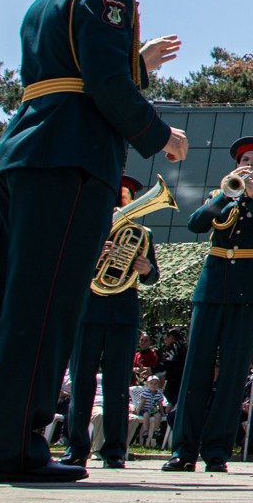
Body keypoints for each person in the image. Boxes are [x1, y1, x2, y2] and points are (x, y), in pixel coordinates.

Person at [0, 0, 189, 485]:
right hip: (70, 156)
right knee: (47, 307)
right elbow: (103, 83)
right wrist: (159, 136)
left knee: (9, 303)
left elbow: (73, 69)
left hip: (29, 149)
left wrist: (135, 62)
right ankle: (17, 447)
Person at [167, 136, 253, 473]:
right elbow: (196, 224)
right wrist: (224, 194)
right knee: (196, 370)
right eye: (244, 159)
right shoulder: (220, 195)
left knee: (233, 373)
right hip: (212, 288)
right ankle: (183, 450)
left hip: (247, 293)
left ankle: (217, 450)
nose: (250, 165)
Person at [66, 174, 161, 469]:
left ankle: (115, 449)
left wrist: (146, 269)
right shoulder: (84, 231)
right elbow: (68, 270)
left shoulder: (142, 234)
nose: (121, 208)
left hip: (122, 314)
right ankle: (76, 448)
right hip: (88, 313)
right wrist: (93, 256)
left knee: (119, 385)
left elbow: (152, 277)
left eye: (125, 201)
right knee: (81, 382)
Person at [157, 328, 187, 410]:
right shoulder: (185, 346)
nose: (165, 339)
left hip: (174, 380)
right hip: (183, 378)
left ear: (172, 337)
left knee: (167, 402)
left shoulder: (174, 347)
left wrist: (154, 370)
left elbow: (167, 363)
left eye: (167, 337)